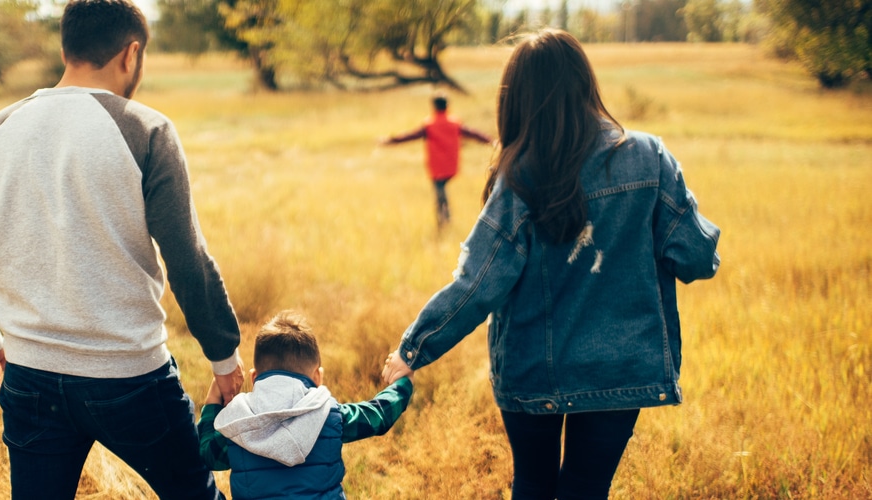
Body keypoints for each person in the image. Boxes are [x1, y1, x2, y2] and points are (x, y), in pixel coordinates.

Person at [381, 29, 720, 500]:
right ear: (585, 82)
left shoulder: (520, 175)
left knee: (535, 484)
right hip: (619, 368)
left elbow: (477, 282)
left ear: (518, 97)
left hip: (532, 369)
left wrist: (413, 350)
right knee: (586, 488)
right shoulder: (650, 157)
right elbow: (698, 259)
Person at [0, 1, 244, 498]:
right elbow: (188, 263)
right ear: (132, 54)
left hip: (30, 376)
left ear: (66, 48)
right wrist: (225, 359)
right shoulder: (147, 130)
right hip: (131, 377)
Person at [197, 311, 414, 499]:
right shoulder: (328, 414)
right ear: (318, 377)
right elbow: (378, 417)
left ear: (254, 378)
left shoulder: (239, 422)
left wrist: (215, 394)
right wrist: (403, 383)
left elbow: (207, 454)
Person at [380, 94, 493, 227]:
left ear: (434, 107)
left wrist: (391, 140)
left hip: (437, 167)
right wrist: (490, 140)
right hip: (451, 165)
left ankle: (444, 219)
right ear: (447, 106)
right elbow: (473, 133)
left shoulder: (430, 124)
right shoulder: (454, 123)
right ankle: (444, 218)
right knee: (441, 190)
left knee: (440, 192)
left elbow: (410, 136)